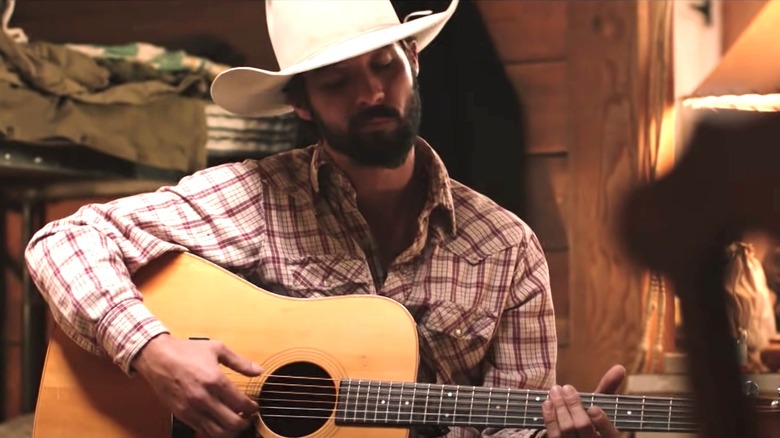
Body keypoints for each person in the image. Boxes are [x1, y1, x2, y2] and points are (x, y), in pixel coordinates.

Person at [25, 1, 623, 437]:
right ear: (300, 103)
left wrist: (557, 436)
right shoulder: (256, 197)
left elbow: (512, 425)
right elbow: (63, 240)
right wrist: (155, 354)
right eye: (338, 82)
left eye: (384, 66)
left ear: (413, 59)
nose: (370, 94)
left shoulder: (508, 250)